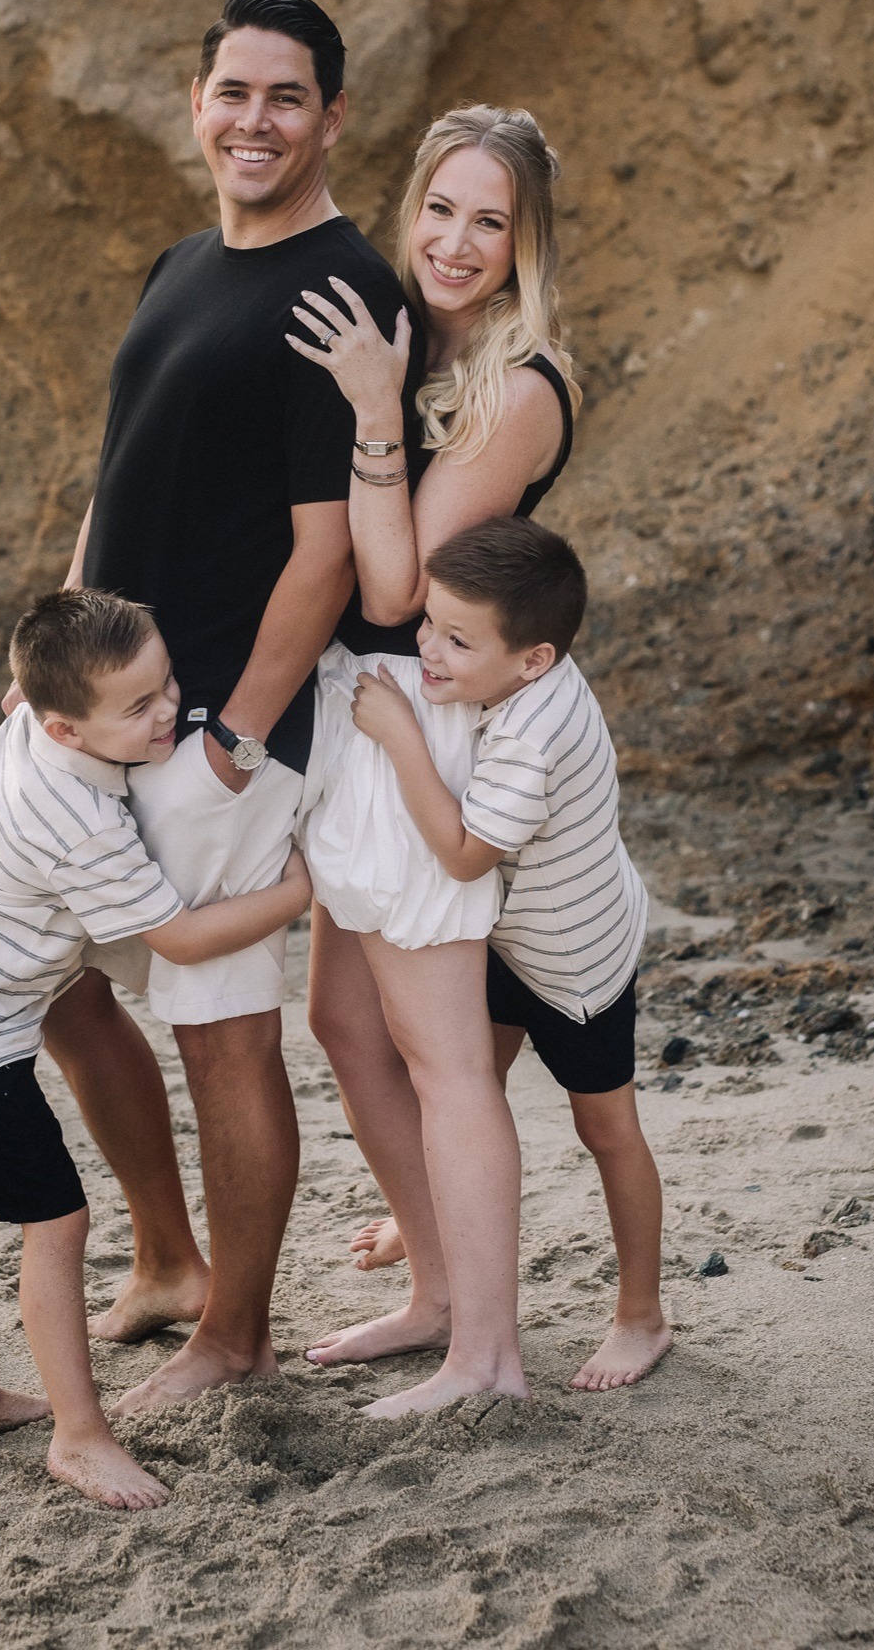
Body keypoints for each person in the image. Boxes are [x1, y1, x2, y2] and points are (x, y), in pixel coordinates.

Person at [10, 0, 422, 1412]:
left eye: (285, 96)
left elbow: (326, 555)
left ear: (332, 117)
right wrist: (48, 662)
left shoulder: (343, 293)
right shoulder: (181, 263)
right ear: (196, 104)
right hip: (96, 712)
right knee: (58, 987)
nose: (255, 120)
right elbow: (117, 471)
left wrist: (237, 736)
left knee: (222, 1031)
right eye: (232, 92)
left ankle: (235, 1335)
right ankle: (169, 1260)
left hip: (219, 732)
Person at [0, 590, 313, 1508]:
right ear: (64, 728)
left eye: (167, 686)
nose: (167, 714)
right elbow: (180, 939)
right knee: (57, 1224)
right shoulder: (74, 819)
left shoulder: (27, 731)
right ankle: (80, 1439)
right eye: (137, 707)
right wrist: (294, 894)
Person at [286, 104, 581, 1416]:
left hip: (424, 707)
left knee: (446, 1058)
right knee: (345, 1022)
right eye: (440, 210)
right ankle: (438, 1294)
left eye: (489, 221)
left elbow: (399, 587)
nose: (456, 242)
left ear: (526, 244)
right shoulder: (408, 340)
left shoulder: (518, 388)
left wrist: (367, 412)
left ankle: (488, 1357)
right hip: (354, 707)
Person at [346, 518, 670, 1392]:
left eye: (457, 641)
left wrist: (400, 735)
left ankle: (641, 1316)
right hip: (510, 935)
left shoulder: (532, 733)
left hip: (574, 963)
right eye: (429, 623)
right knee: (460, 1093)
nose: (428, 649)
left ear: (533, 660)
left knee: (606, 1130)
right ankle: (431, 1236)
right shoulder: (527, 674)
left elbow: (463, 853)